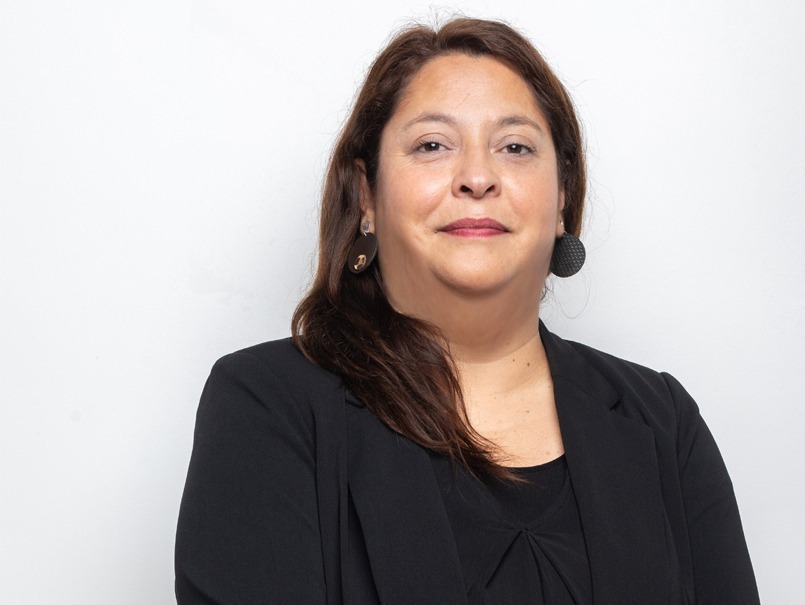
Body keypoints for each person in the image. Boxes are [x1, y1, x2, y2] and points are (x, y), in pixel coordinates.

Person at [175, 17, 760, 604]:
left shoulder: (663, 422)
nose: (477, 178)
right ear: (367, 195)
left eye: (515, 147)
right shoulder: (267, 407)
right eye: (432, 145)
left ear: (562, 198)